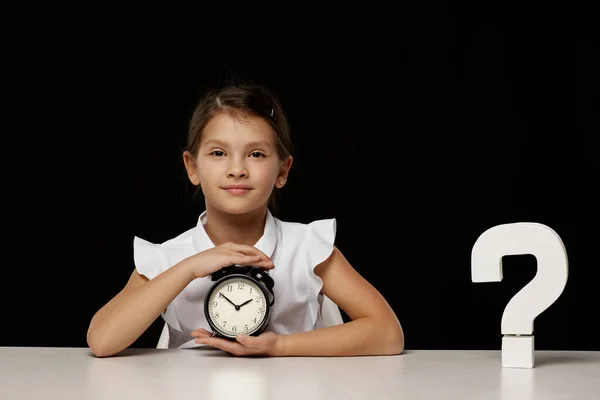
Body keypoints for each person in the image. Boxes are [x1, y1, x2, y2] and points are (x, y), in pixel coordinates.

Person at [86, 83, 404, 357]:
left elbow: (388, 333)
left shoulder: (307, 248)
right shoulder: (169, 257)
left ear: (282, 171)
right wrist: (190, 267)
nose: (237, 169)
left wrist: (279, 346)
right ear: (192, 167)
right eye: (218, 153)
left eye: (256, 154)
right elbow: (102, 341)